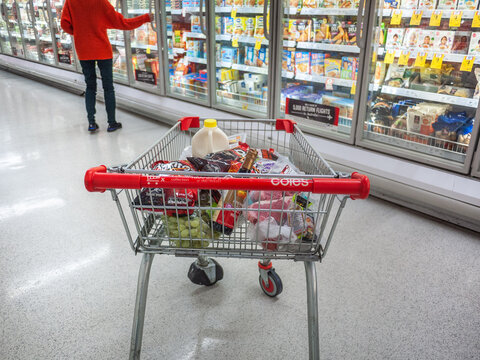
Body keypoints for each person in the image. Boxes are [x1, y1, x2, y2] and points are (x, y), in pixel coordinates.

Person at [61, 0, 152, 132]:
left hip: (83, 50)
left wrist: (80, 33)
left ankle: (91, 123)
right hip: (102, 50)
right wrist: (145, 18)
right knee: (108, 88)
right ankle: (111, 123)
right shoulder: (101, 2)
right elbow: (123, 23)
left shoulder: (70, 2)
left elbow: (64, 25)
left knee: (90, 87)